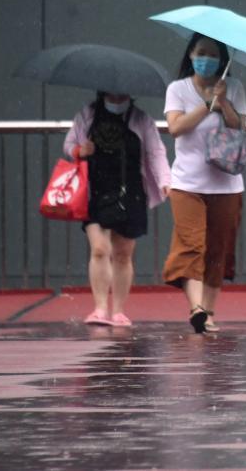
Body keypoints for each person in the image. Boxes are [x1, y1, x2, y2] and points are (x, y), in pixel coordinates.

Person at [163, 33, 246, 334]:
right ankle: (196, 307)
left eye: (213, 55)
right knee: (190, 244)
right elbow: (176, 127)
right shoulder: (177, 89)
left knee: (218, 249)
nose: (206, 59)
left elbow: (240, 125)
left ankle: (209, 312)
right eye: (201, 53)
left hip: (227, 184)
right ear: (190, 54)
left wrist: (224, 102)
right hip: (187, 182)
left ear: (222, 60)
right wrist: (207, 105)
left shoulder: (233, 87)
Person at [64, 91, 171, 327]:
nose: (116, 96)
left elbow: (156, 152)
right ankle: (100, 308)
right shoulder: (87, 115)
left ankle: (119, 310)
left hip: (130, 190)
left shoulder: (141, 120)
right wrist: (79, 151)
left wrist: (165, 180)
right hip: (96, 189)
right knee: (99, 249)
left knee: (123, 253)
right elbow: (69, 144)